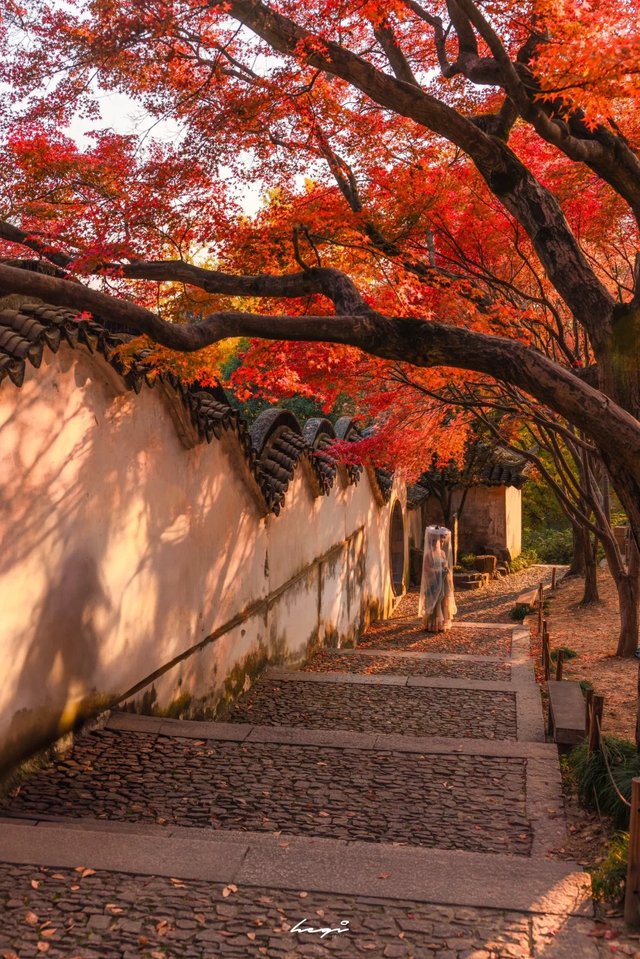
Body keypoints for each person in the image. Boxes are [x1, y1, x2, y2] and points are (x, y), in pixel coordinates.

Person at [418, 525, 457, 632]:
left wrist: (445, 570)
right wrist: (437, 572)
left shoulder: (443, 554)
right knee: (435, 602)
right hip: (433, 581)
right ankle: (433, 624)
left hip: (443, 581)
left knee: (444, 601)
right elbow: (426, 569)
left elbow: (445, 565)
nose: (440, 543)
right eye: (437, 541)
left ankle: (443, 623)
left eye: (441, 541)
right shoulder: (428, 555)